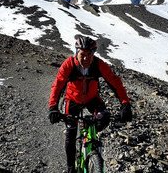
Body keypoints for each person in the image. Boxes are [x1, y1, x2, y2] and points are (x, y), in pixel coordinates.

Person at [48, 35, 132, 173]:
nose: (86, 58)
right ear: (76, 52)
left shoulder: (98, 64)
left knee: (104, 117)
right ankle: (70, 167)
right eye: (82, 54)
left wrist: (125, 104)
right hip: (72, 100)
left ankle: (90, 138)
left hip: (92, 99)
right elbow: (57, 86)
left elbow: (115, 82)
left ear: (93, 54)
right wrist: (52, 108)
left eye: (89, 54)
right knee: (70, 134)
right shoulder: (69, 64)